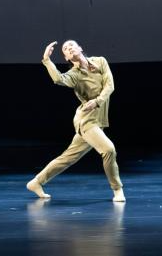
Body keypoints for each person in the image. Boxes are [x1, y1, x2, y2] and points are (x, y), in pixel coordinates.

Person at [26, 40, 125, 202]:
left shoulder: (100, 61)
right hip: (86, 121)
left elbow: (110, 85)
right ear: (66, 57)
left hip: (97, 119)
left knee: (68, 158)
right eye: (65, 49)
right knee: (108, 149)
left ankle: (36, 182)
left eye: (71, 45)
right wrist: (47, 60)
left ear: (80, 48)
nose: (69, 48)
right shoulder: (74, 75)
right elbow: (58, 79)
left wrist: (97, 101)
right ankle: (117, 189)